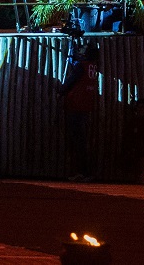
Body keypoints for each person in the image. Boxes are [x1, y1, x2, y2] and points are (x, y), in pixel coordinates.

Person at [59, 40, 100, 181]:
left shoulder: (81, 66)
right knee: (82, 140)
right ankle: (84, 171)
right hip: (85, 105)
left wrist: (60, 90)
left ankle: (83, 171)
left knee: (77, 141)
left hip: (75, 105)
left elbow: (71, 81)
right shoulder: (93, 66)